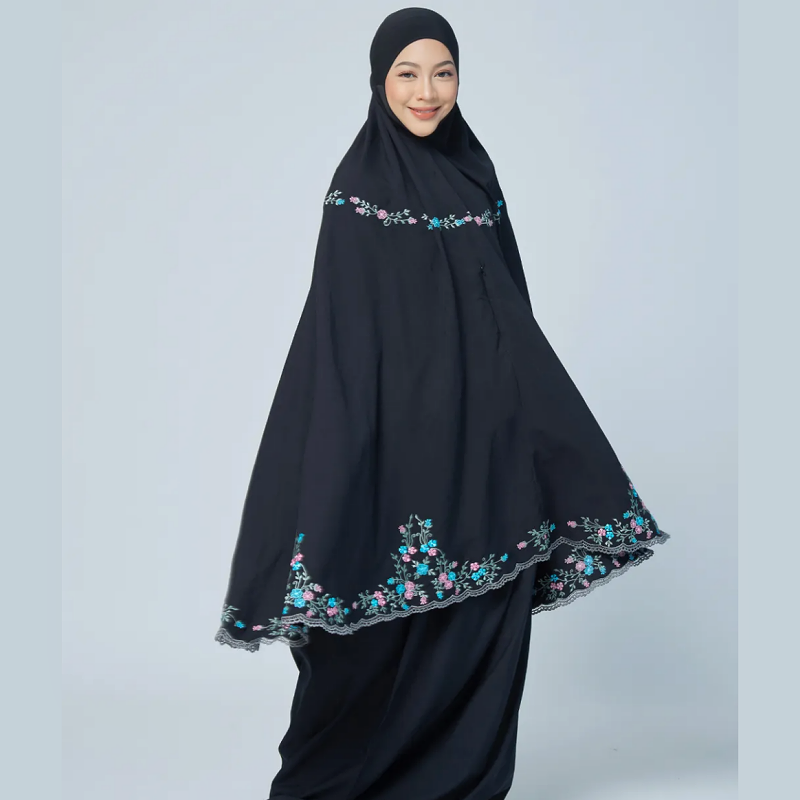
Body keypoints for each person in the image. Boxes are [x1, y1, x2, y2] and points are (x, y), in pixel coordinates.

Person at [215, 8, 670, 799]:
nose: (426, 91)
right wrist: (350, 460)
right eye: (407, 73)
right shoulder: (358, 191)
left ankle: (460, 783)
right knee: (364, 635)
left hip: (485, 436)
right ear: (378, 80)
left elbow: (510, 311)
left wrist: (536, 432)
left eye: (443, 72)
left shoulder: (474, 176)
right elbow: (343, 338)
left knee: (487, 615)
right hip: (387, 440)